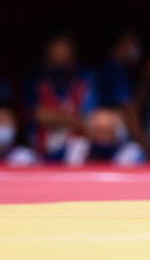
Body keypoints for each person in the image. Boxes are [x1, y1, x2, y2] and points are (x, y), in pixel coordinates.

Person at [27, 32, 98, 163]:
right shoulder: (36, 79)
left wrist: (54, 118)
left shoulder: (85, 78)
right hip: (40, 151)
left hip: (77, 150)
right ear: (47, 56)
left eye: (65, 54)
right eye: (56, 54)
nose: (61, 60)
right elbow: (39, 116)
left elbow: (89, 121)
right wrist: (72, 119)